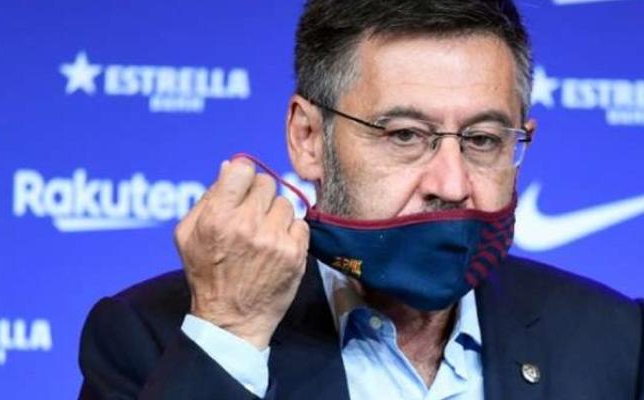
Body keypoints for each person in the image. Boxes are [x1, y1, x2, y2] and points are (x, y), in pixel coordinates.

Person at [77, 0, 644, 399]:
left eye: (482, 140)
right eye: (405, 135)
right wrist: (230, 334)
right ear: (308, 138)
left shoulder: (614, 339)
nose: (451, 184)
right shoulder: (153, 338)